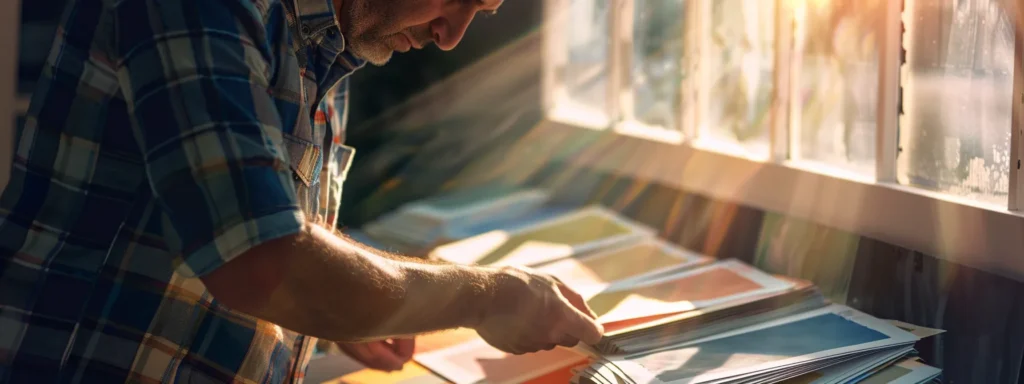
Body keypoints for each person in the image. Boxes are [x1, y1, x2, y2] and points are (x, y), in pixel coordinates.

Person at [0, 0, 603, 382]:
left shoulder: (333, 39)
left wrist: (343, 309)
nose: (452, 37)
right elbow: (263, 262)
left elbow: (267, 218)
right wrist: (483, 296)